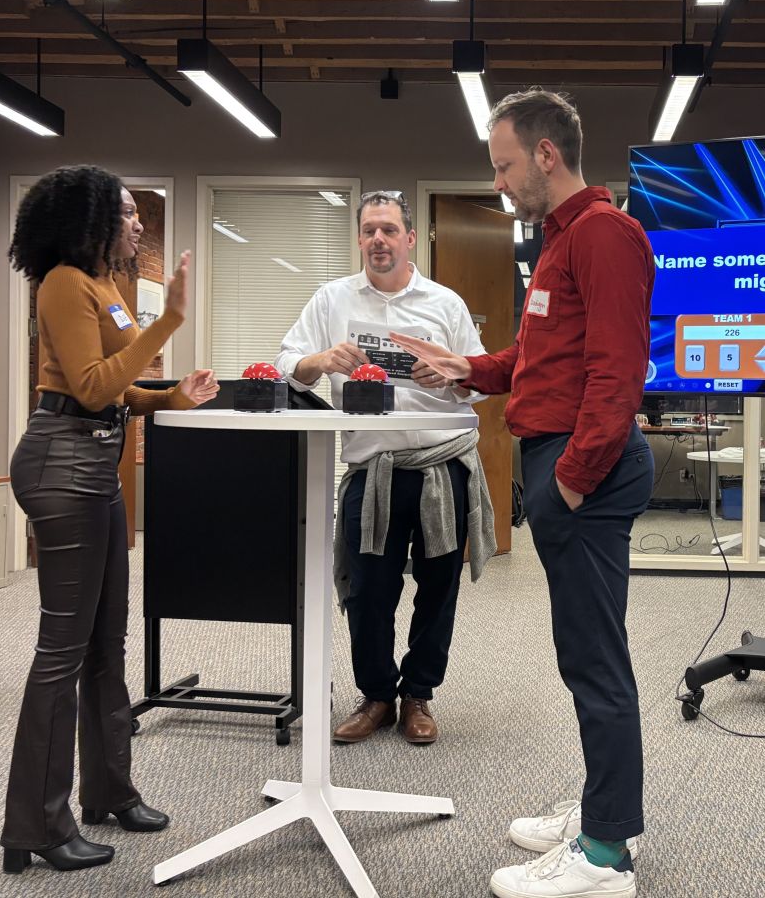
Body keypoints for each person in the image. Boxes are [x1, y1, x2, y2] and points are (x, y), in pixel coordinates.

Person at [392, 89, 655, 898]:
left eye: (504, 166)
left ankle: (605, 855)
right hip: (562, 461)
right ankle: (603, 810)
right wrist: (465, 368)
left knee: (593, 660)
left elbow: (616, 376)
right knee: (584, 653)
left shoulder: (603, 233)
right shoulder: (560, 241)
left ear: (545, 154)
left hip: (583, 470)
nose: (498, 182)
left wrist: (568, 483)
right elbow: (537, 361)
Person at [1, 165, 219, 874]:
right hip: (62, 467)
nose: (136, 222)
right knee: (61, 653)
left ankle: (109, 791)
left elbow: (116, 390)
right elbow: (92, 388)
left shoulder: (105, 287)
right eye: (125, 212)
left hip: (97, 467)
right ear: (89, 218)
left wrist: (172, 397)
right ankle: (35, 826)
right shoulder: (65, 282)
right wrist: (171, 320)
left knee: (107, 643)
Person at [275, 190, 496, 746]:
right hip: (370, 469)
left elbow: (481, 382)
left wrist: (453, 376)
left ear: (410, 238)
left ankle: (418, 694)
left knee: (438, 588)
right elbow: (286, 364)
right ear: (359, 238)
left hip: (442, 467)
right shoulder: (331, 299)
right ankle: (376, 695)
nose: (379, 239)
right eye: (370, 230)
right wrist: (321, 360)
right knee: (368, 591)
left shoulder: (445, 303)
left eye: (389, 229)